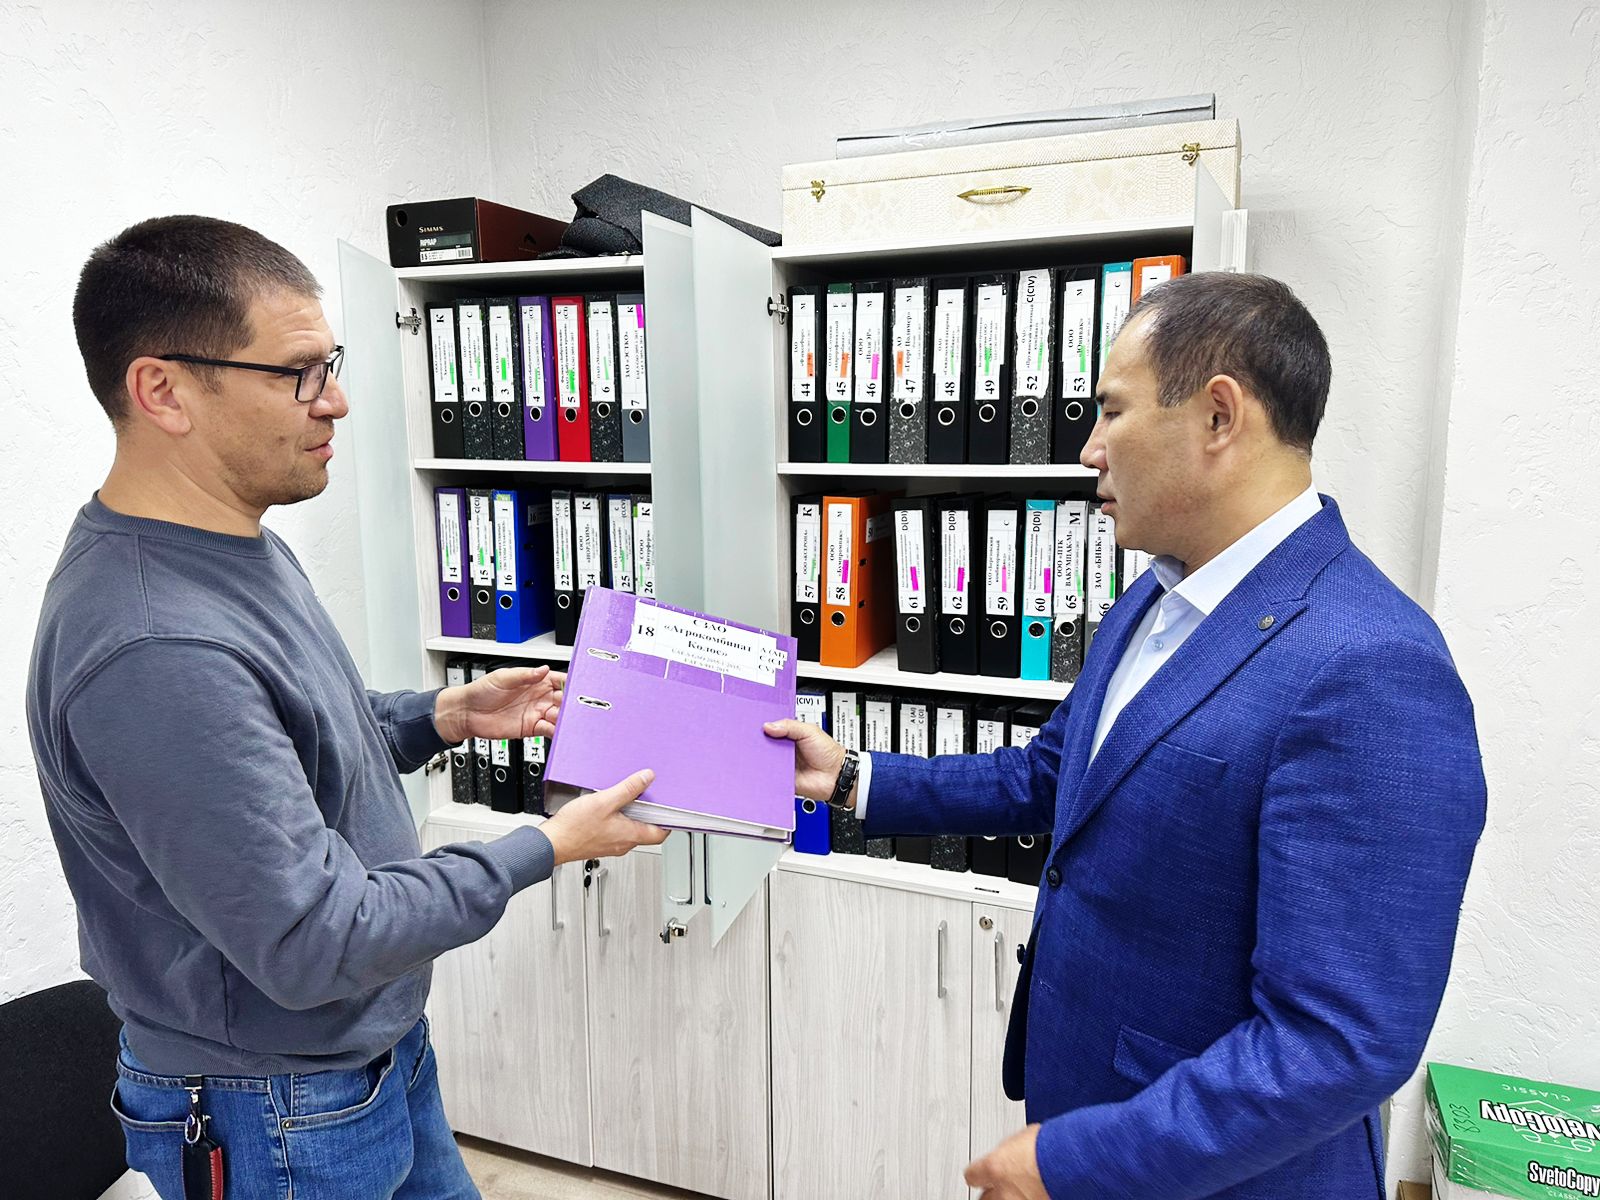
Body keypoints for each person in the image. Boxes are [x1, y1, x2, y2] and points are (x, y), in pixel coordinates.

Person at [767, 272, 1487, 1200]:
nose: (1088, 449)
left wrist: (1079, 1160)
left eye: (1111, 411)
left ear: (1219, 416)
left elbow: (1336, 1043)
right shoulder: (1155, 595)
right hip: (1086, 1096)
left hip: (1218, 1172)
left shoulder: (1373, 668)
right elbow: (1054, 774)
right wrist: (853, 776)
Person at [26, 215, 667, 1200]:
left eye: (330, 364)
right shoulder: (155, 644)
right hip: (272, 1112)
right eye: (298, 374)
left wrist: (437, 717)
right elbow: (315, 941)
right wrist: (546, 846)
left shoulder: (232, 541)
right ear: (163, 391)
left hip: (366, 1058)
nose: (337, 400)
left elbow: (275, 741)